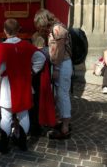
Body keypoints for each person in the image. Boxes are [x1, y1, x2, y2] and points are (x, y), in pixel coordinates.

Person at [0, 19, 55, 153]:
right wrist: (32, 72)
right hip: (23, 86)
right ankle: (22, 143)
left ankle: (4, 145)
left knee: (6, 116)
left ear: (5, 31)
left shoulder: (2, 47)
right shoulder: (26, 45)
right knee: (23, 115)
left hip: (7, 88)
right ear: (18, 30)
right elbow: (41, 58)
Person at [34, 9, 73, 140]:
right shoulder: (55, 29)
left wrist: (56, 69)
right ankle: (61, 121)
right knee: (58, 94)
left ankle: (65, 128)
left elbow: (59, 52)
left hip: (62, 65)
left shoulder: (57, 30)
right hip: (60, 64)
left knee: (62, 95)